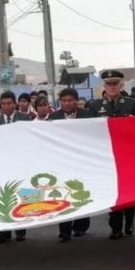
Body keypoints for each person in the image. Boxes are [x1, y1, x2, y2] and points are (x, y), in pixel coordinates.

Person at [88, 69, 135, 239]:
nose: (112, 87)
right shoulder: (95, 106)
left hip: (127, 153)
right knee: (112, 190)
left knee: (129, 190)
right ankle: (115, 226)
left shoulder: (132, 103)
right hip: (106, 155)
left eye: (115, 84)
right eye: (109, 84)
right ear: (104, 86)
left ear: (121, 85)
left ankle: (130, 222)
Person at [49, 87, 93, 241]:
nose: (67, 103)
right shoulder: (53, 118)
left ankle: (81, 226)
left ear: (76, 101)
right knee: (63, 194)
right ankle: (64, 230)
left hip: (82, 161)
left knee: (81, 193)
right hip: (62, 163)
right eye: (64, 101)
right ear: (60, 102)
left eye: (70, 100)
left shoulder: (87, 116)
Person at [0, 91, 33, 244]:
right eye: (3, 104)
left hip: (20, 164)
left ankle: (21, 231)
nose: (6, 106)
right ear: (0, 105)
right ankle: (3, 233)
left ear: (15, 104)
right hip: (2, 165)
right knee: (3, 198)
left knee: (20, 198)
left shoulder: (25, 118)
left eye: (9, 103)